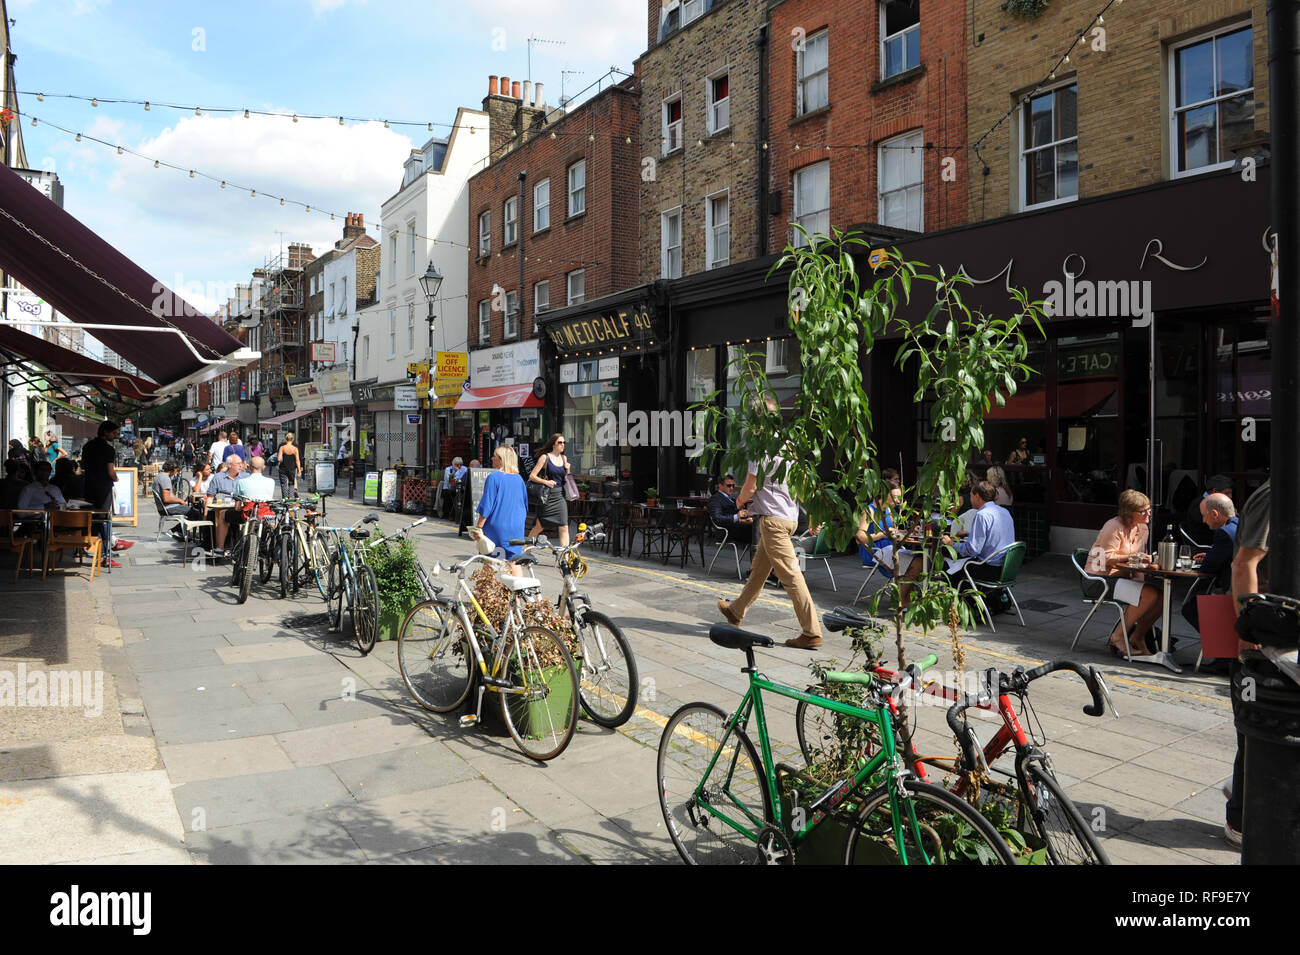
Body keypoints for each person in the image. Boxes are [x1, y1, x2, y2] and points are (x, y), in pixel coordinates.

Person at [718, 399, 822, 649]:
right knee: (759, 571)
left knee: (791, 575)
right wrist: (814, 516)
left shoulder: (760, 447)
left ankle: (811, 632)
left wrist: (739, 501)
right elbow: (801, 484)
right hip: (788, 518)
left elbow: (751, 484)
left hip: (773, 521)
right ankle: (736, 611)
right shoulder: (787, 445)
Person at [1224, 480, 1268, 850]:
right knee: (1255, 732)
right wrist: (1248, 627)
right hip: (1266, 639)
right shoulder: (1278, 494)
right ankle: (1240, 816)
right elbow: (1245, 563)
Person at [1085, 489, 1163, 657]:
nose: (1149, 513)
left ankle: (1138, 636)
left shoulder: (1142, 528)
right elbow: (1105, 558)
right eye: (1143, 511)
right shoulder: (1113, 526)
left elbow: (1137, 562)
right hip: (1099, 579)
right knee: (1149, 595)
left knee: (1161, 597)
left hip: (1123, 578)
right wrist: (1133, 556)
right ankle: (1118, 637)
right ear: (1129, 513)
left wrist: (1141, 580)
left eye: (1149, 509)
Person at [1179, 493, 1238, 639]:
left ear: (1215, 513)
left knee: (1190, 609)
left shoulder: (1224, 533)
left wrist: (1210, 558)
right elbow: (1227, 555)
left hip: (1230, 592)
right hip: (1242, 591)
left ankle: (1221, 651)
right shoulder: (1239, 525)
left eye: (1204, 516)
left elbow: (1207, 568)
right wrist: (1212, 554)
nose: (1204, 521)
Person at [473, 445, 529, 574]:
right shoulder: (519, 479)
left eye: (494, 456)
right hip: (516, 526)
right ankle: (519, 592)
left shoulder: (494, 478)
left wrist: (479, 528)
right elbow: (525, 505)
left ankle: (487, 592)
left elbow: (487, 505)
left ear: (501, 459)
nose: (492, 458)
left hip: (497, 525)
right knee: (513, 561)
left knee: (490, 559)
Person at [82, 419, 130, 568]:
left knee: (93, 519)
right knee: (103, 519)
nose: (116, 436)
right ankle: (105, 555)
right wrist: (116, 478)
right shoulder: (109, 450)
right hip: (103, 488)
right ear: (106, 432)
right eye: (114, 433)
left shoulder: (87, 446)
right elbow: (110, 471)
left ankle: (98, 550)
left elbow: (84, 466)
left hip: (88, 486)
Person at [528, 433, 571, 547]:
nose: (562, 445)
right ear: (553, 444)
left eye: (564, 442)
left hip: (560, 496)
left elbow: (567, 479)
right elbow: (532, 476)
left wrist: (568, 470)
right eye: (560, 442)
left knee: (564, 526)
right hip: (547, 496)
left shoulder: (564, 458)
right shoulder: (545, 458)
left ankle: (564, 557)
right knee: (539, 527)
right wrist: (546, 482)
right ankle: (525, 548)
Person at [205, 454, 248, 554]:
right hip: (221, 509)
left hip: (238, 510)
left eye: (241, 463)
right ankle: (219, 547)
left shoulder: (245, 477)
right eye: (237, 463)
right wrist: (205, 515)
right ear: (229, 465)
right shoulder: (218, 477)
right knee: (212, 519)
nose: (240, 466)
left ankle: (232, 547)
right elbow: (210, 497)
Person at [1183, 474, 1233, 545]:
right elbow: (1219, 530)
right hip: (1205, 547)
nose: (1230, 496)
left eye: (1231, 493)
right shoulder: (1200, 506)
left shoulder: (1217, 503)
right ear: (1214, 491)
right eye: (1227, 493)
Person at [707, 474, 753, 545]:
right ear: (720, 486)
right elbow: (717, 518)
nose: (731, 488)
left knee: (758, 525)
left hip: (737, 528)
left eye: (733, 486)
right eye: (729, 486)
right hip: (726, 532)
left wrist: (744, 514)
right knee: (757, 529)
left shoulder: (731, 499)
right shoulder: (715, 499)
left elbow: (736, 513)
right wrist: (737, 516)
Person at [276, 432, 302, 499]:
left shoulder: (282, 447)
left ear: (285, 439)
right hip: (292, 468)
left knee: (283, 484)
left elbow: (279, 459)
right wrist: (299, 470)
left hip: (283, 468)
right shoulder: (295, 449)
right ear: (292, 439)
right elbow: (297, 460)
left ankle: (285, 498)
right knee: (291, 483)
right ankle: (291, 498)